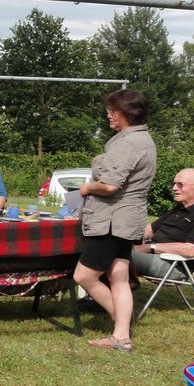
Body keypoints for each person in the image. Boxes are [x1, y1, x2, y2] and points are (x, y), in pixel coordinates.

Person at [72, 89, 156, 353]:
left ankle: (121, 325)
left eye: (112, 111)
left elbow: (109, 185)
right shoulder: (142, 140)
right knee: (118, 277)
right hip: (126, 219)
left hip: (112, 220)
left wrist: (86, 189)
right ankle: (121, 336)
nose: (108, 115)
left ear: (125, 113)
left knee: (83, 276)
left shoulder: (129, 143)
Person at [131, 168, 194, 281]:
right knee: (108, 246)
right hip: (154, 256)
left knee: (115, 255)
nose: (174, 188)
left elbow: (190, 250)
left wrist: (149, 248)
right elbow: (149, 231)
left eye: (180, 185)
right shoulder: (179, 209)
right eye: (174, 184)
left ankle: (117, 292)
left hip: (174, 265)